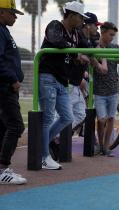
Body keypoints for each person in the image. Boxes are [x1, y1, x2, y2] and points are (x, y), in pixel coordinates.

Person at [39, 1, 91, 170]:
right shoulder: (56, 26)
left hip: (62, 81)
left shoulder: (76, 34)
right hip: (48, 76)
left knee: (67, 117)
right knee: (47, 118)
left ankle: (40, 145)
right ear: (71, 15)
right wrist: (77, 54)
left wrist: (94, 58)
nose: (82, 21)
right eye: (80, 17)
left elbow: (88, 47)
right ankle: (43, 156)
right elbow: (57, 41)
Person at [49, 12, 107, 160]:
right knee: (63, 114)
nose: (97, 29)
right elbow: (78, 55)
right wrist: (96, 66)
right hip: (68, 82)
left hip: (74, 82)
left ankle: (55, 137)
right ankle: (51, 139)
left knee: (80, 114)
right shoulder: (78, 35)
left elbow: (90, 55)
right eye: (96, 25)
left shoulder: (84, 39)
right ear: (88, 25)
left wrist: (94, 67)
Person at [0, 0, 27, 184]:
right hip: (5, 87)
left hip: (7, 87)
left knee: (3, 127)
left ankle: (2, 169)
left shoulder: (4, 30)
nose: (15, 16)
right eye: (12, 12)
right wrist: (13, 78)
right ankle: (3, 169)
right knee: (16, 126)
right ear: (1, 12)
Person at [94, 22, 119, 156]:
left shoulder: (115, 47)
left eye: (114, 35)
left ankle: (106, 147)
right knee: (101, 119)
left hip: (113, 90)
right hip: (99, 91)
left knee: (110, 119)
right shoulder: (95, 47)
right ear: (102, 32)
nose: (112, 38)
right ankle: (100, 144)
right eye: (110, 35)